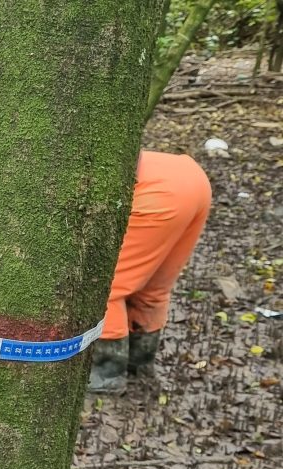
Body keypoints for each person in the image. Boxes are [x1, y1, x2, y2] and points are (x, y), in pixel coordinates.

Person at [88, 151, 212, 393]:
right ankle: (140, 365)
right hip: (191, 178)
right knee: (153, 287)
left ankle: (107, 374)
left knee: (110, 287)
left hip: (157, 190)